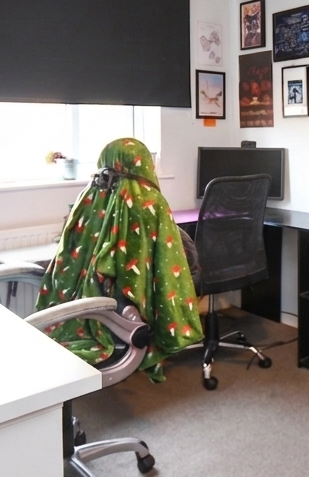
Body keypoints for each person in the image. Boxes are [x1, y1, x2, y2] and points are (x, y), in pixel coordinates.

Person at [35, 138, 202, 382]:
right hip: (124, 305)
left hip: (83, 303)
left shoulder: (91, 195)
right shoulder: (151, 202)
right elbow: (168, 262)